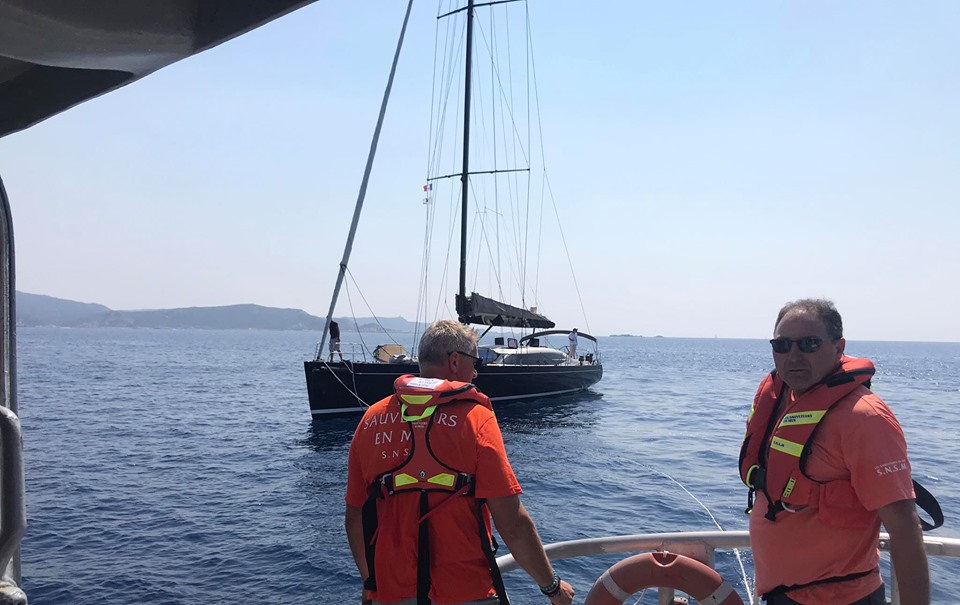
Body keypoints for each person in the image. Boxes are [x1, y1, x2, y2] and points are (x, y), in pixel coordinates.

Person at [345, 319, 575, 605]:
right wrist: (552, 587)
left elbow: (355, 517)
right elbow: (512, 524)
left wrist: (370, 582)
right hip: (466, 591)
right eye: (474, 362)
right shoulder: (477, 420)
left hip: (391, 592)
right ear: (454, 361)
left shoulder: (371, 419)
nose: (476, 372)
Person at [740, 299, 929, 605]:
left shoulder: (865, 418)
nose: (794, 356)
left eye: (809, 344)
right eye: (783, 345)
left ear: (838, 347)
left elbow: (905, 527)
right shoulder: (781, 399)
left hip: (841, 598)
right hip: (783, 594)